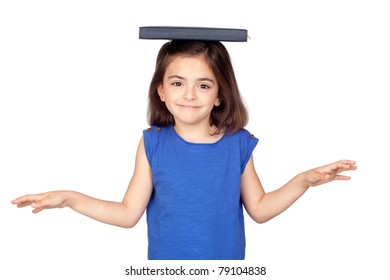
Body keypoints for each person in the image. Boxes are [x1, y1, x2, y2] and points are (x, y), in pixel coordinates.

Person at [11, 39, 356, 260]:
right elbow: (128, 213)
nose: (189, 95)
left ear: (219, 95)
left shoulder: (238, 143)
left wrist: (303, 181)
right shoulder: (153, 143)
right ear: (161, 90)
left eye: (203, 85)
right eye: (178, 83)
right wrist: (70, 198)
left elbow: (261, 209)